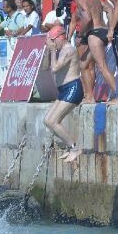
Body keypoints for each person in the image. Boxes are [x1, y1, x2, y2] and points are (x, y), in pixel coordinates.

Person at [67, 0, 112, 103]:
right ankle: (88, 95)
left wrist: (111, 28)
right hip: (85, 32)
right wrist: (70, 36)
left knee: (93, 66)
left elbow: (108, 9)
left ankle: (91, 95)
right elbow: (74, 19)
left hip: (91, 32)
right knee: (84, 65)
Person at [43, 26, 83, 163]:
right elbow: (45, 67)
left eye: (52, 40)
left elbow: (55, 69)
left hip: (73, 88)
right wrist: (49, 51)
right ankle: (70, 146)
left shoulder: (69, 49)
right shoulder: (58, 50)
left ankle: (74, 148)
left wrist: (53, 49)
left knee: (54, 121)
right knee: (47, 121)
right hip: (64, 90)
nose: (52, 43)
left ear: (60, 38)